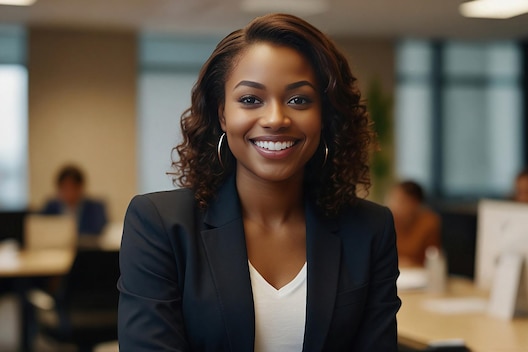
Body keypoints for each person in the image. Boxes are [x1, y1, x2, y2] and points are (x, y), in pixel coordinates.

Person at [117, 13, 401, 351]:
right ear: (222, 113)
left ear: (324, 115)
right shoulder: (160, 224)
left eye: (299, 100)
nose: (276, 119)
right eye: (251, 100)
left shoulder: (370, 229)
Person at [385, 181, 441, 268]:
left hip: (418, 275)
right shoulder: (386, 222)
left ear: (415, 203)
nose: (393, 206)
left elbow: (432, 260)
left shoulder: (428, 222)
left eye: (401, 201)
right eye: (392, 199)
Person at [41, 164, 108, 236]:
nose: (69, 192)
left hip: (85, 247)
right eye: (65, 188)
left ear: (80, 187)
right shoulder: (50, 207)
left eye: (72, 187)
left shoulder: (95, 208)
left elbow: (99, 232)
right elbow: (41, 229)